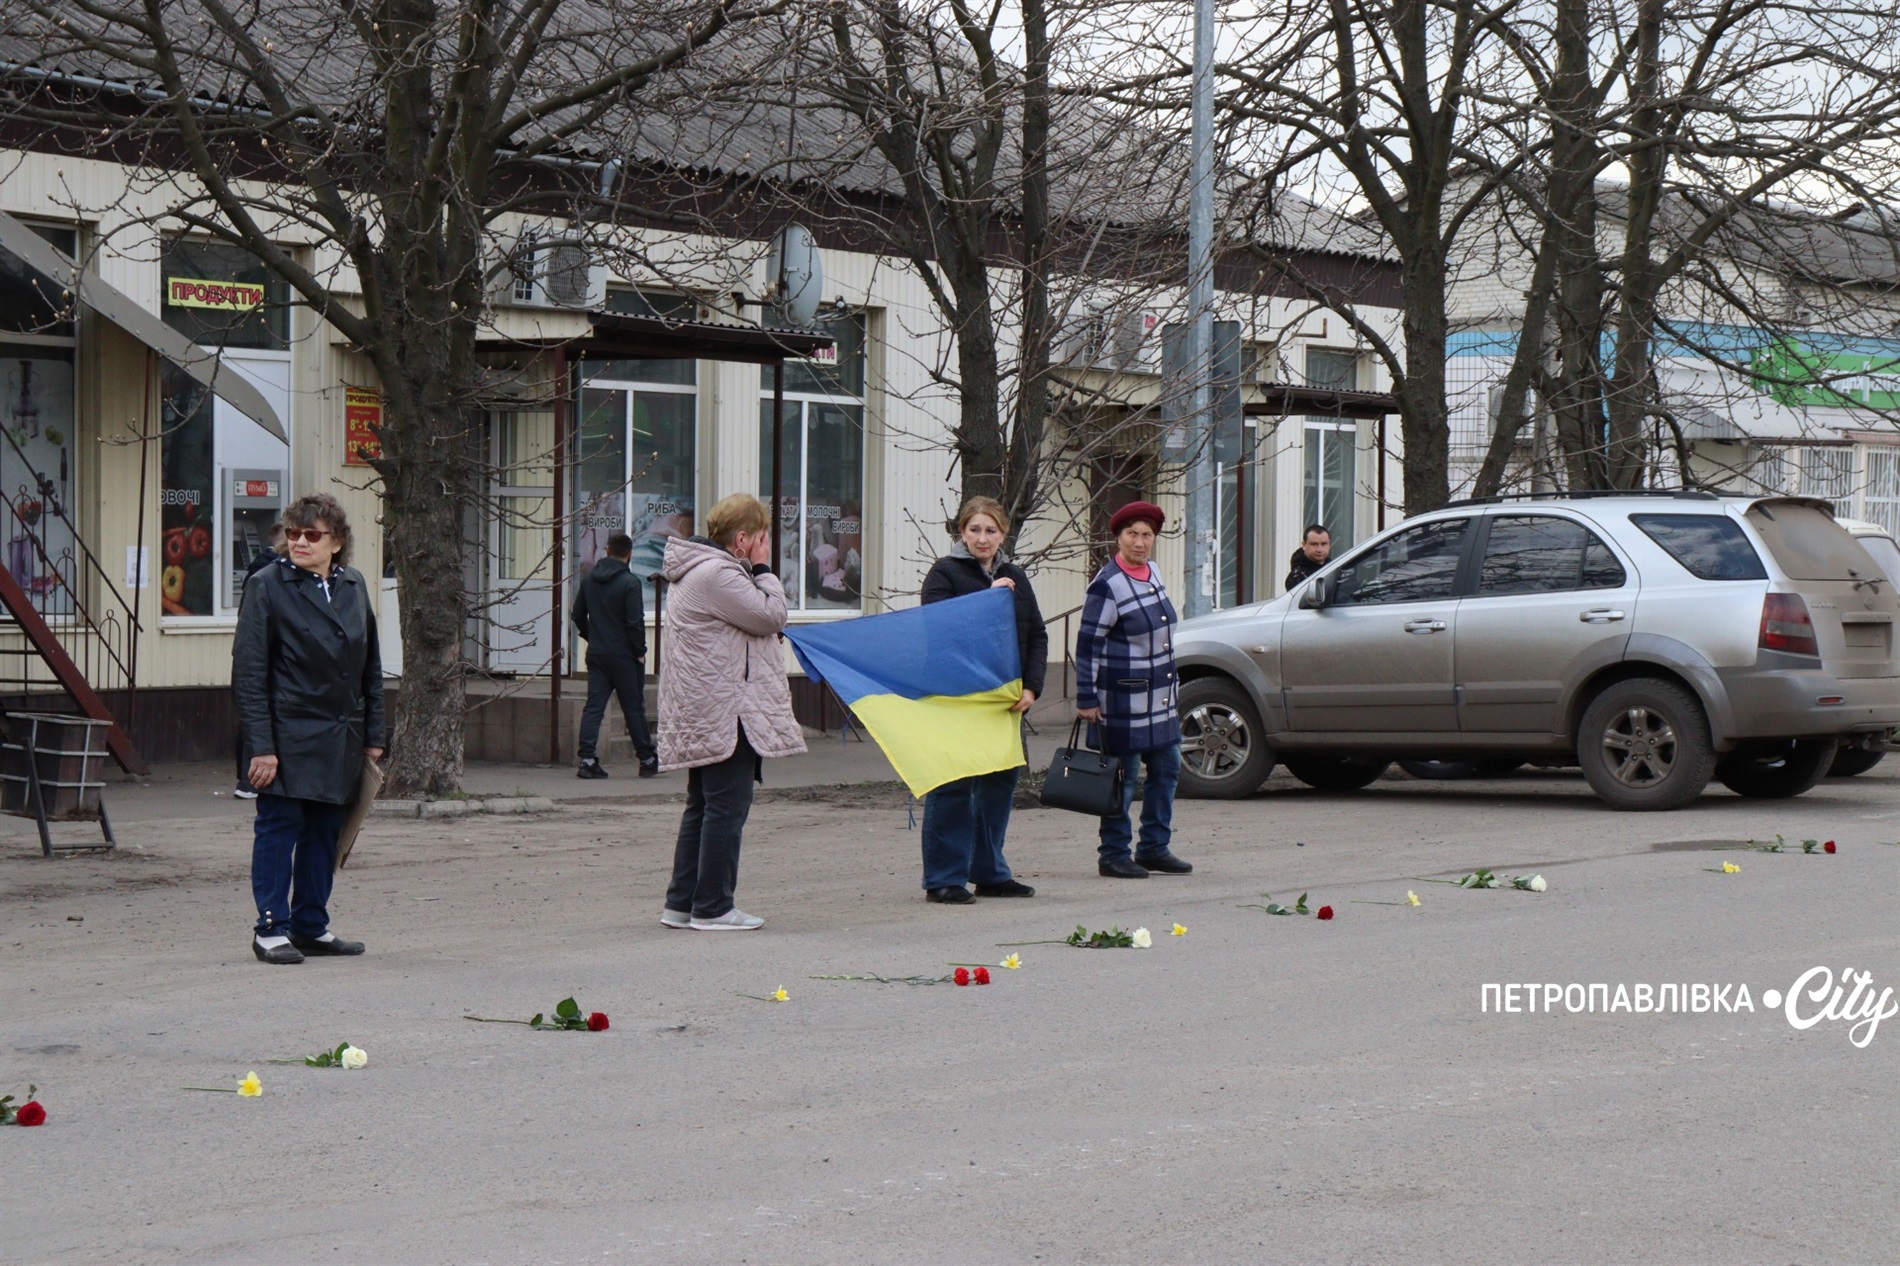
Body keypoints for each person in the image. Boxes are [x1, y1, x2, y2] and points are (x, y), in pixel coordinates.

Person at [232, 494, 385, 964]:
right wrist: (261, 747)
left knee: (324, 831)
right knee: (279, 829)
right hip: (286, 734)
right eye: (293, 533)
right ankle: (270, 929)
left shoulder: (353, 584)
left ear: (336, 542)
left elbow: (370, 665)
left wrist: (375, 734)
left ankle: (310, 925)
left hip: (340, 734)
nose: (299, 542)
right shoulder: (267, 585)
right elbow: (249, 673)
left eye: (312, 535)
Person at [656, 494, 807, 930]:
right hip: (727, 711)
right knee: (726, 807)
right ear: (742, 539)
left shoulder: (698, 570)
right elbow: (772, 615)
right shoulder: (719, 573)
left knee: (703, 806)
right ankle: (713, 907)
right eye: (762, 538)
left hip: (707, 707)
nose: (765, 545)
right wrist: (763, 569)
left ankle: (682, 904)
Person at [916, 496, 1048, 904]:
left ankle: (989, 873)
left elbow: (1036, 634)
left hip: (1003, 700)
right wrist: (988, 599)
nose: (982, 538)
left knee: (998, 784)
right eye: (974, 530)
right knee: (953, 785)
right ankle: (944, 878)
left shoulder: (1015, 575)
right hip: (957, 696)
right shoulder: (944, 573)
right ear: (962, 532)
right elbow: (940, 629)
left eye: (991, 530)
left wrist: (1031, 687)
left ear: (1003, 534)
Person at [1074, 500, 1192, 879]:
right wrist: (1086, 697)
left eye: (1146, 535)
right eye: (1132, 534)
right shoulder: (1106, 584)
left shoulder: (1153, 571)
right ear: (1119, 538)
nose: (1139, 542)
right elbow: (1088, 644)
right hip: (1122, 699)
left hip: (1160, 698)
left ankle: (1154, 847)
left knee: (1168, 768)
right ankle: (1113, 853)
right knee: (1122, 779)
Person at [573, 530, 658, 779]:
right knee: (633, 707)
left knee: (594, 707)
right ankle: (647, 759)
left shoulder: (589, 579)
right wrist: (640, 651)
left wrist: (592, 636)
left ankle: (587, 760)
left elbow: (577, 615)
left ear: (607, 549)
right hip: (624, 656)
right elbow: (635, 622)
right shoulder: (630, 583)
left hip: (597, 654)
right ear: (629, 554)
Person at [233, 520, 286, 800]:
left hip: (254, 653)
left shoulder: (258, 570)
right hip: (263, 656)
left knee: (250, 720)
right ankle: (249, 781)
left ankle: (246, 780)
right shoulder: (267, 576)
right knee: (258, 718)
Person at [1286, 523, 1332, 593]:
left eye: (1323, 544)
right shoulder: (1297, 577)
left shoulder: (1335, 569)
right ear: (1304, 545)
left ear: (1329, 545)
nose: (1319, 549)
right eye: (1314, 544)